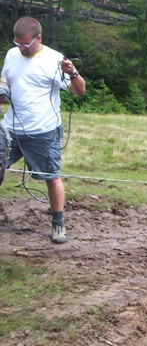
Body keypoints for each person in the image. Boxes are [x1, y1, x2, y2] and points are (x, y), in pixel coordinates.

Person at [0, 17, 86, 243]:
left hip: (43, 131)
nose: (22, 48)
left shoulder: (54, 59)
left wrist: (73, 72)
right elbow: (6, 82)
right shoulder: (11, 55)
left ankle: (58, 225)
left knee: (51, 177)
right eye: (18, 43)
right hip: (10, 129)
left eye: (26, 44)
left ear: (39, 38)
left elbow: (79, 91)